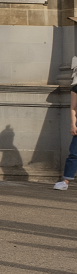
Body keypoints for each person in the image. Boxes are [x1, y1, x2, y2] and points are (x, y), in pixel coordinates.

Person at [54, 62, 77, 191]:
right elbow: (73, 108)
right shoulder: (75, 89)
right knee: (74, 153)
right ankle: (65, 181)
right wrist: (73, 124)